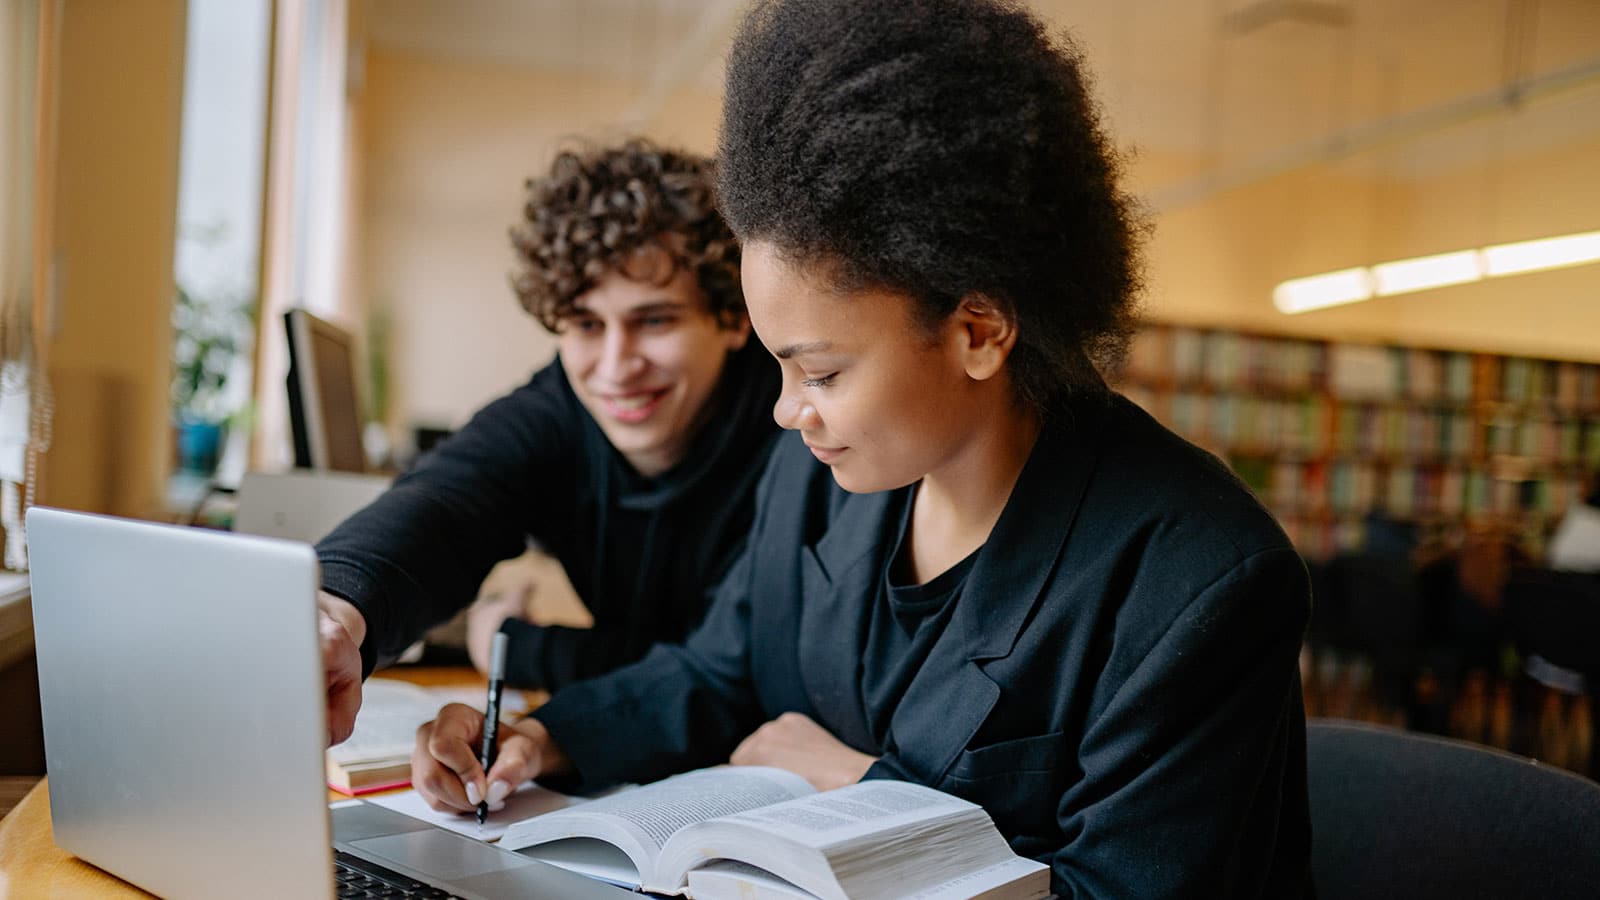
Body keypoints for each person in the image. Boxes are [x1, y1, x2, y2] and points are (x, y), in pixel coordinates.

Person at [412, 2, 1313, 894]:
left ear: (978, 330)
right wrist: (544, 736)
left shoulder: (1197, 581)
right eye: (778, 367)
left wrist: (859, 791)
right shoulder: (826, 473)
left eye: (822, 372)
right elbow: (723, 669)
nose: (784, 412)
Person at [315, 139, 779, 744]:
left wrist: (521, 645)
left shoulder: (800, 421)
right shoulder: (553, 411)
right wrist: (336, 613)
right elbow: (446, 501)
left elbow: (739, 672)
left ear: (734, 317)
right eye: (587, 324)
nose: (616, 366)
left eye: (655, 320)